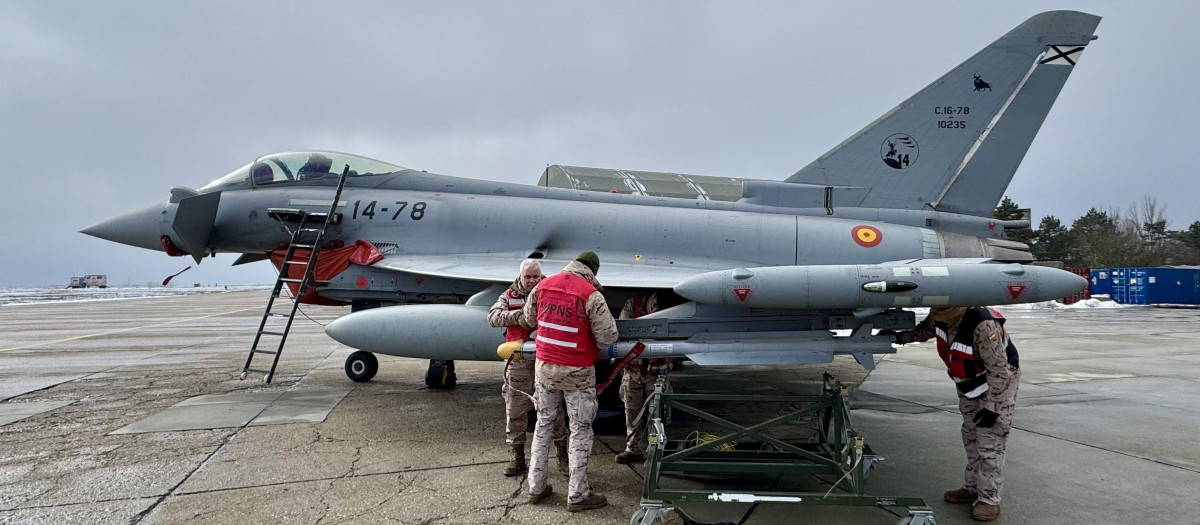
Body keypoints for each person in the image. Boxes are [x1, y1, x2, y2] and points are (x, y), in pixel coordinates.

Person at [890, 306, 1020, 522]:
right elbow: (924, 331)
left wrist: (992, 408)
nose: (936, 317)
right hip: (969, 383)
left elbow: (1000, 371)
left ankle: (989, 499)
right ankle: (971, 488)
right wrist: (899, 337)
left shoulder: (982, 324)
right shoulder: (942, 313)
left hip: (998, 386)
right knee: (970, 435)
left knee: (989, 442)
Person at [521, 251, 618, 512]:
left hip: (545, 370)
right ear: (592, 271)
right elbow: (608, 337)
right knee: (580, 431)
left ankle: (536, 487)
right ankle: (577, 495)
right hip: (577, 373)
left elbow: (528, 320)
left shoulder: (543, 285)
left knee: (543, 426)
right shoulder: (590, 294)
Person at [487, 259, 569, 477]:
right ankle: (517, 457)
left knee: (555, 409)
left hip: (547, 360)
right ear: (521, 277)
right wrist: (519, 315)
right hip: (519, 363)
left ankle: (563, 455)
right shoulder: (508, 296)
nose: (533, 281)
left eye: (536, 276)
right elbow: (493, 317)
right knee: (515, 409)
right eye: (528, 277)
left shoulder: (552, 291)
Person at [614, 292, 668, 464]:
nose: (656, 311)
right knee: (632, 412)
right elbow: (623, 330)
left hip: (656, 373)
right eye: (655, 308)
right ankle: (633, 449)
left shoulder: (669, 307)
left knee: (656, 413)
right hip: (633, 372)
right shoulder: (632, 305)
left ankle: (656, 450)